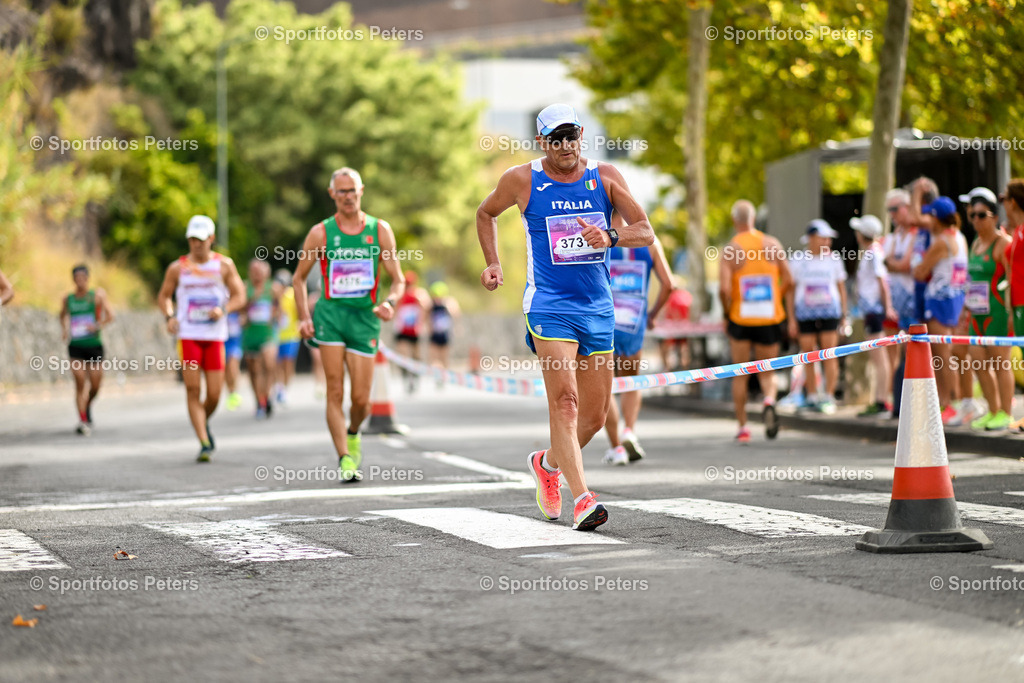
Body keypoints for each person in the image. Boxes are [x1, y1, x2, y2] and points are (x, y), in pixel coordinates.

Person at [476, 103, 654, 531]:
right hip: (548, 306)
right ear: (543, 142)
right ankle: (584, 500)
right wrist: (493, 262)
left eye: (572, 136)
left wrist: (610, 235)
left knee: (593, 418)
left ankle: (547, 462)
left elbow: (645, 230)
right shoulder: (521, 180)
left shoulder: (606, 177)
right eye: (556, 138)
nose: (566, 145)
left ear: (580, 137)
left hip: (597, 308)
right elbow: (485, 213)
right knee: (566, 403)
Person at [293, 167, 405, 483]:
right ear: (332, 195)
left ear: (361, 191)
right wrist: (304, 317)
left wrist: (390, 303)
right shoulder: (321, 233)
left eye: (352, 190)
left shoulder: (379, 229)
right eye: (341, 191)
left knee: (361, 400)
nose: (347, 196)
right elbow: (298, 278)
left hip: (365, 318)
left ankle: (353, 431)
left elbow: (397, 280)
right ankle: (344, 457)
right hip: (330, 317)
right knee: (334, 389)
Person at [156, 215, 246, 462]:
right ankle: (204, 441)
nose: (197, 244)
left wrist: (224, 310)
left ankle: (201, 421)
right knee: (193, 389)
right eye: (192, 239)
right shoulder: (177, 267)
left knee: (215, 394)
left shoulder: (224, 265)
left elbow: (240, 295)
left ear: (211, 239)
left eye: (201, 239)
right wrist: (170, 316)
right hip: (189, 336)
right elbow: (164, 296)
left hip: (215, 336)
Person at [602, 216, 674, 466]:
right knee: (631, 381)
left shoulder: (597, 234)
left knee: (604, 385)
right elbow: (669, 284)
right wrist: (652, 315)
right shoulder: (648, 239)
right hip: (634, 320)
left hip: (604, 318)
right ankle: (629, 431)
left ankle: (616, 448)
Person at [719, 199, 791, 442]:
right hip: (769, 317)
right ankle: (769, 400)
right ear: (753, 219)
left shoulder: (730, 249)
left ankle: (743, 428)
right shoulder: (772, 244)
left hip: (741, 317)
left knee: (740, 373)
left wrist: (726, 312)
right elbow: (789, 280)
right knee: (767, 370)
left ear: (734, 221)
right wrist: (775, 299)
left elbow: (724, 289)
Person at [913, 196, 968, 422]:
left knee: (941, 355)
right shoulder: (961, 237)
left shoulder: (940, 242)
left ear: (937, 218)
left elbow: (919, 272)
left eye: (930, 215)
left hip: (939, 300)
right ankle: (955, 402)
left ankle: (947, 404)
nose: (927, 220)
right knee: (951, 353)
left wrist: (918, 265)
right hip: (955, 299)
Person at [787, 220, 848, 414]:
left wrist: (844, 317)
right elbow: (790, 290)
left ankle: (829, 396)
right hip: (805, 314)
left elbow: (841, 288)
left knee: (830, 354)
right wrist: (791, 318)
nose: (827, 242)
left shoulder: (834, 259)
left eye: (829, 239)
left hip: (830, 313)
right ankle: (812, 395)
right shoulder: (797, 259)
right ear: (811, 238)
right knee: (808, 355)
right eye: (823, 238)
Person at [963, 191, 1013, 430]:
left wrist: (1013, 312)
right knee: (978, 361)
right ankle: (992, 410)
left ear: (994, 216)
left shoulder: (1003, 243)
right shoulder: (975, 243)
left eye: (982, 215)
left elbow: (1014, 279)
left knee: (1000, 363)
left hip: (998, 314)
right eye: (972, 215)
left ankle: (1006, 412)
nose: (976, 219)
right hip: (976, 314)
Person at [60, 265, 115, 434]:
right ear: (73, 279)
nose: (80, 280)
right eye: (77, 277)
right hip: (76, 346)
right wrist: (64, 329)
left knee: (96, 386)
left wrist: (97, 326)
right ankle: (83, 420)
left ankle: (88, 403)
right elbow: (62, 315)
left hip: (94, 346)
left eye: (83, 277)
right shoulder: (68, 298)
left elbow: (110, 316)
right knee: (79, 382)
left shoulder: (96, 296)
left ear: (88, 278)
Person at [851, 216, 894, 417]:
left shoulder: (873, 253)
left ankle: (881, 401)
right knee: (877, 355)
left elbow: (882, 281)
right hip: (871, 310)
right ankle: (879, 399)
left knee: (879, 356)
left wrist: (887, 308)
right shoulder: (871, 252)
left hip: (875, 310)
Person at [241, 259, 279, 419]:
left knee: (269, 364)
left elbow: (279, 309)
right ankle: (259, 401)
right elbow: (239, 308)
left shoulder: (273, 289)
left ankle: (266, 395)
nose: (257, 274)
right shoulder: (245, 287)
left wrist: (273, 316)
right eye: (254, 271)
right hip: (250, 333)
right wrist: (251, 301)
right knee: (254, 370)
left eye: (260, 271)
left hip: (267, 333)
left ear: (266, 272)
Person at [1000, 179, 1024, 432]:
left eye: (1004, 198)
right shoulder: (1017, 230)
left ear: (1013, 201)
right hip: (1018, 305)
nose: (1003, 204)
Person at [393, 271, 430, 394]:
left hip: (415, 330)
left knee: (415, 356)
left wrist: (421, 324)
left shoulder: (419, 293)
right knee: (403, 356)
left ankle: (414, 379)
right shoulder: (400, 294)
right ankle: (405, 379)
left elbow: (427, 307)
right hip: (402, 329)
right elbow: (394, 308)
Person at [273, 268, 301, 405]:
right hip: (277, 335)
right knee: (276, 363)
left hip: (291, 335)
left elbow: (298, 312)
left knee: (288, 362)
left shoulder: (292, 295)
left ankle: (285, 388)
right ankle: (279, 386)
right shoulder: (274, 296)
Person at [427, 280, 460, 388]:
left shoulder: (449, 302)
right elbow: (425, 317)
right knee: (434, 358)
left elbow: (456, 314)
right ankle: (438, 376)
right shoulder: (430, 305)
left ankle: (443, 376)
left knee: (444, 358)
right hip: (434, 334)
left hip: (445, 334)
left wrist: (446, 306)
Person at [656, 279, 693, 371]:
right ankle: (685, 368)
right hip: (684, 327)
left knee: (665, 347)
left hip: (672, 329)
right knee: (683, 347)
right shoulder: (687, 296)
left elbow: (667, 311)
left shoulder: (670, 297)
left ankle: (666, 367)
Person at [223, 311, 244, 410]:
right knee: (227, 369)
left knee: (233, 366)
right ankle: (231, 392)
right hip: (223, 342)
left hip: (235, 342)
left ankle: (235, 391)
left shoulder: (239, 305)